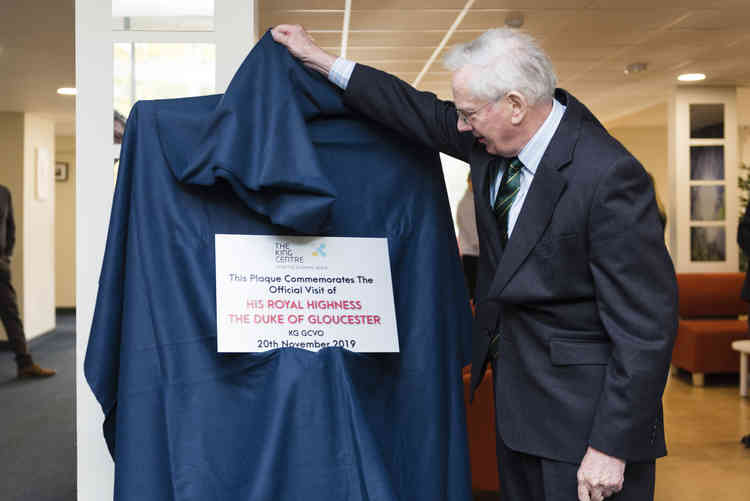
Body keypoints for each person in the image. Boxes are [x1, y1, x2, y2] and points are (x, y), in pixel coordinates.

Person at [272, 25, 677, 501]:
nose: (460, 125)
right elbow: (414, 109)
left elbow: (645, 328)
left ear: (515, 105)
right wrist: (319, 59)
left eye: (468, 113)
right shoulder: (491, 145)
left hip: (586, 427)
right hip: (519, 413)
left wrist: (611, 446)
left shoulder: (608, 175)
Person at [0, 184, 56, 379]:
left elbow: (10, 229)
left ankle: (25, 364)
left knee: (11, 314)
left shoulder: (4, 193)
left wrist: (6, 257)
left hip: (0, 268)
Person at [457, 173, 479, 304]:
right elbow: (474, 236)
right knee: (473, 292)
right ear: (468, 181)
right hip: (472, 254)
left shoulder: (475, 200)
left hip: (476, 254)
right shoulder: (466, 203)